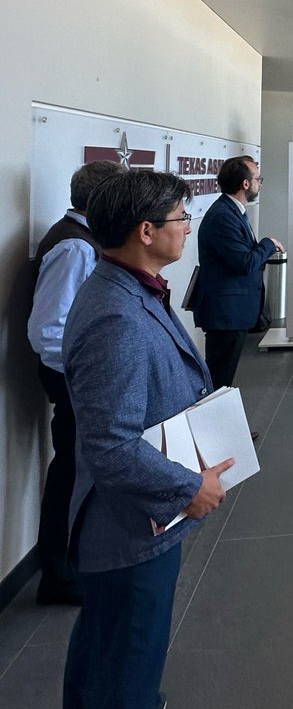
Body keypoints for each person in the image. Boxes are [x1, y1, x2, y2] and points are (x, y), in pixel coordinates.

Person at [61, 170, 235, 709]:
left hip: (131, 519)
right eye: (181, 218)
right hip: (131, 527)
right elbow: (110, 445)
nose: (187, 228)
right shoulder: (116, 315)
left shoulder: (129, 288)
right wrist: (188, 487)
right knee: (126, 673)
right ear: (145, 230)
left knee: (105, 657)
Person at [27, 159, 125, 605]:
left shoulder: (84, 241)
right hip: (70, 378)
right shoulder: (75, 249)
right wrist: (84, 375)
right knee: (69, 468)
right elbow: (47, 330)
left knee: (76, 465)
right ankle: (59, 573)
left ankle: (70, 562)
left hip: (74, 374)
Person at [191, 156, 284, 387]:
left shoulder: (235, 211)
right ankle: (211, 418)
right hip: (225, 313)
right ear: (245, 184)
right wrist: (268, 244)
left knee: (224, 371)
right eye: (257, 179)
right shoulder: (223, 216)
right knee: (219, 376)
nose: (259, 183)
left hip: (233, 310)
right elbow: (244, 262)